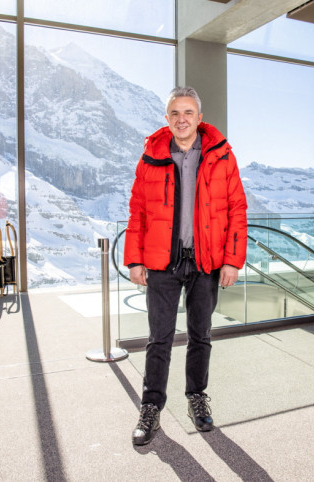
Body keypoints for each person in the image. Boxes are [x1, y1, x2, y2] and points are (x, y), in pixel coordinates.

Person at [124, 86, 248, 446]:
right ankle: (151, 409)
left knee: (200, 336)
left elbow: (237, 210)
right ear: (167, 119)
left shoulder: (222, 156)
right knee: (158, 339)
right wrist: (134, 259)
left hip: (206, 262)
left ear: (199, 117)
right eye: (175, 113)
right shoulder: (150, 158)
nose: (182, 119)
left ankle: (196, 397)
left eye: (188, 113)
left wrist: (232, 260)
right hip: (161, 262)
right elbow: (138, 212)